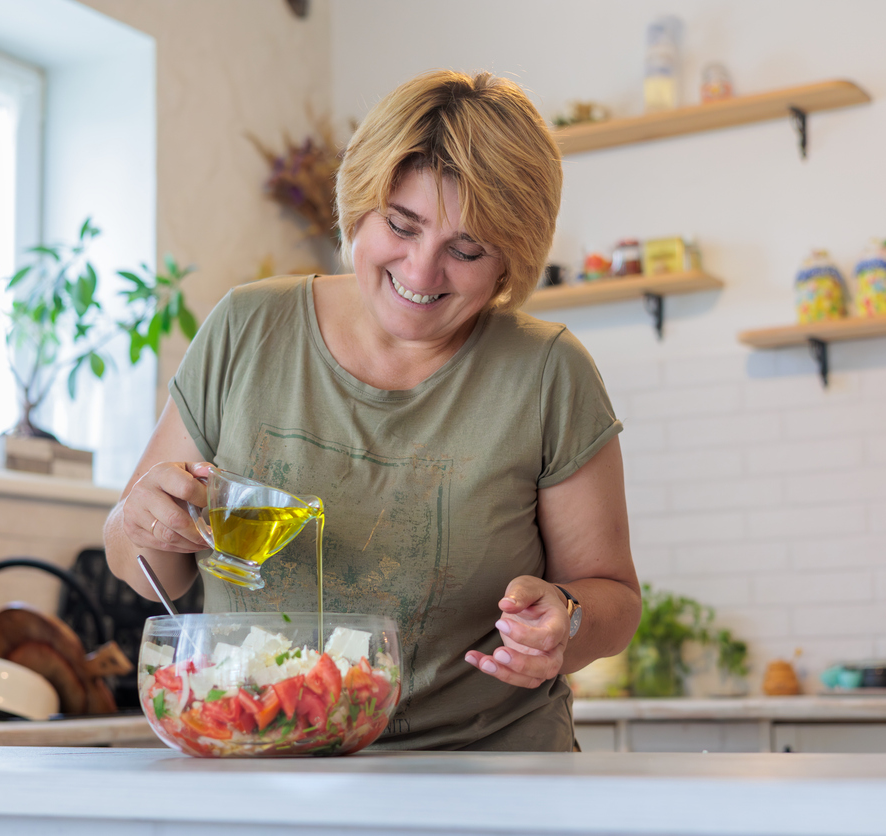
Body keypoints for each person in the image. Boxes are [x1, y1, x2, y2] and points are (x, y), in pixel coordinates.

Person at [103, 69, 640, 751]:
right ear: (360, 206)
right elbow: (136, 560)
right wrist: (143, 519)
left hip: (483, 774)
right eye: (402, 225)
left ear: (512, 258)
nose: (420, 273)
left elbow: (613, 600)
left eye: (466, 249)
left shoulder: (548, 373)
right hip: (256, 762)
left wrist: (564, 620)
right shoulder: (247, 327)